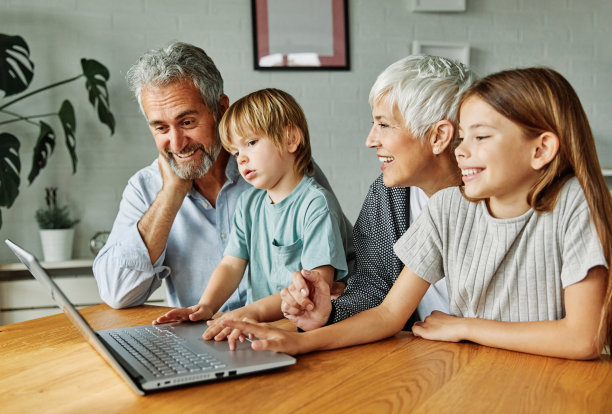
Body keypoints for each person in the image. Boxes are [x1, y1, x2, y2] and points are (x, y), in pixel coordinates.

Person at [223, 67, 612, 360]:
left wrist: (463, 327)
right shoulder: (447, 208)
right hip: (467, 368)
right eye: (463, 136)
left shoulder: (574, 204)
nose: (462, 149)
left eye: (479, 137)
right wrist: (302, 339)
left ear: (541, 150)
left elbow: (585, 337)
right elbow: (388, 310)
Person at [93, 42, 352, 311]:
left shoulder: (284, 170)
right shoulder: (145, 188)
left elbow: (345, 256)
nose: (177, 143)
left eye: (187, 123)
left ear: (220, 109)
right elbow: (116, 292)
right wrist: (171, 192)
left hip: (287, 330)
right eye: (161, 128)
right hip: (209, 335)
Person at [278, 55, 475, 332]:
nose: (370, 140)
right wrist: (327, 312)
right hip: (423, 353)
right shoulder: (387, 194)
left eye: (384, 125)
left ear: (438, 136)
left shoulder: (498, 203)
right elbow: (373, 287)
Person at [152, 88, 350, 338]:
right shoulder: (249, 204)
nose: (241, 159)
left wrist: (251, 313)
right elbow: (231, 264)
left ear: (290, 139)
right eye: (235, 152)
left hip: (303, 332)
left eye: (251, 143)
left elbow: (315, 289)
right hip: (262, 329)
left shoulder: (316, 204)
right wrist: (206, 306)